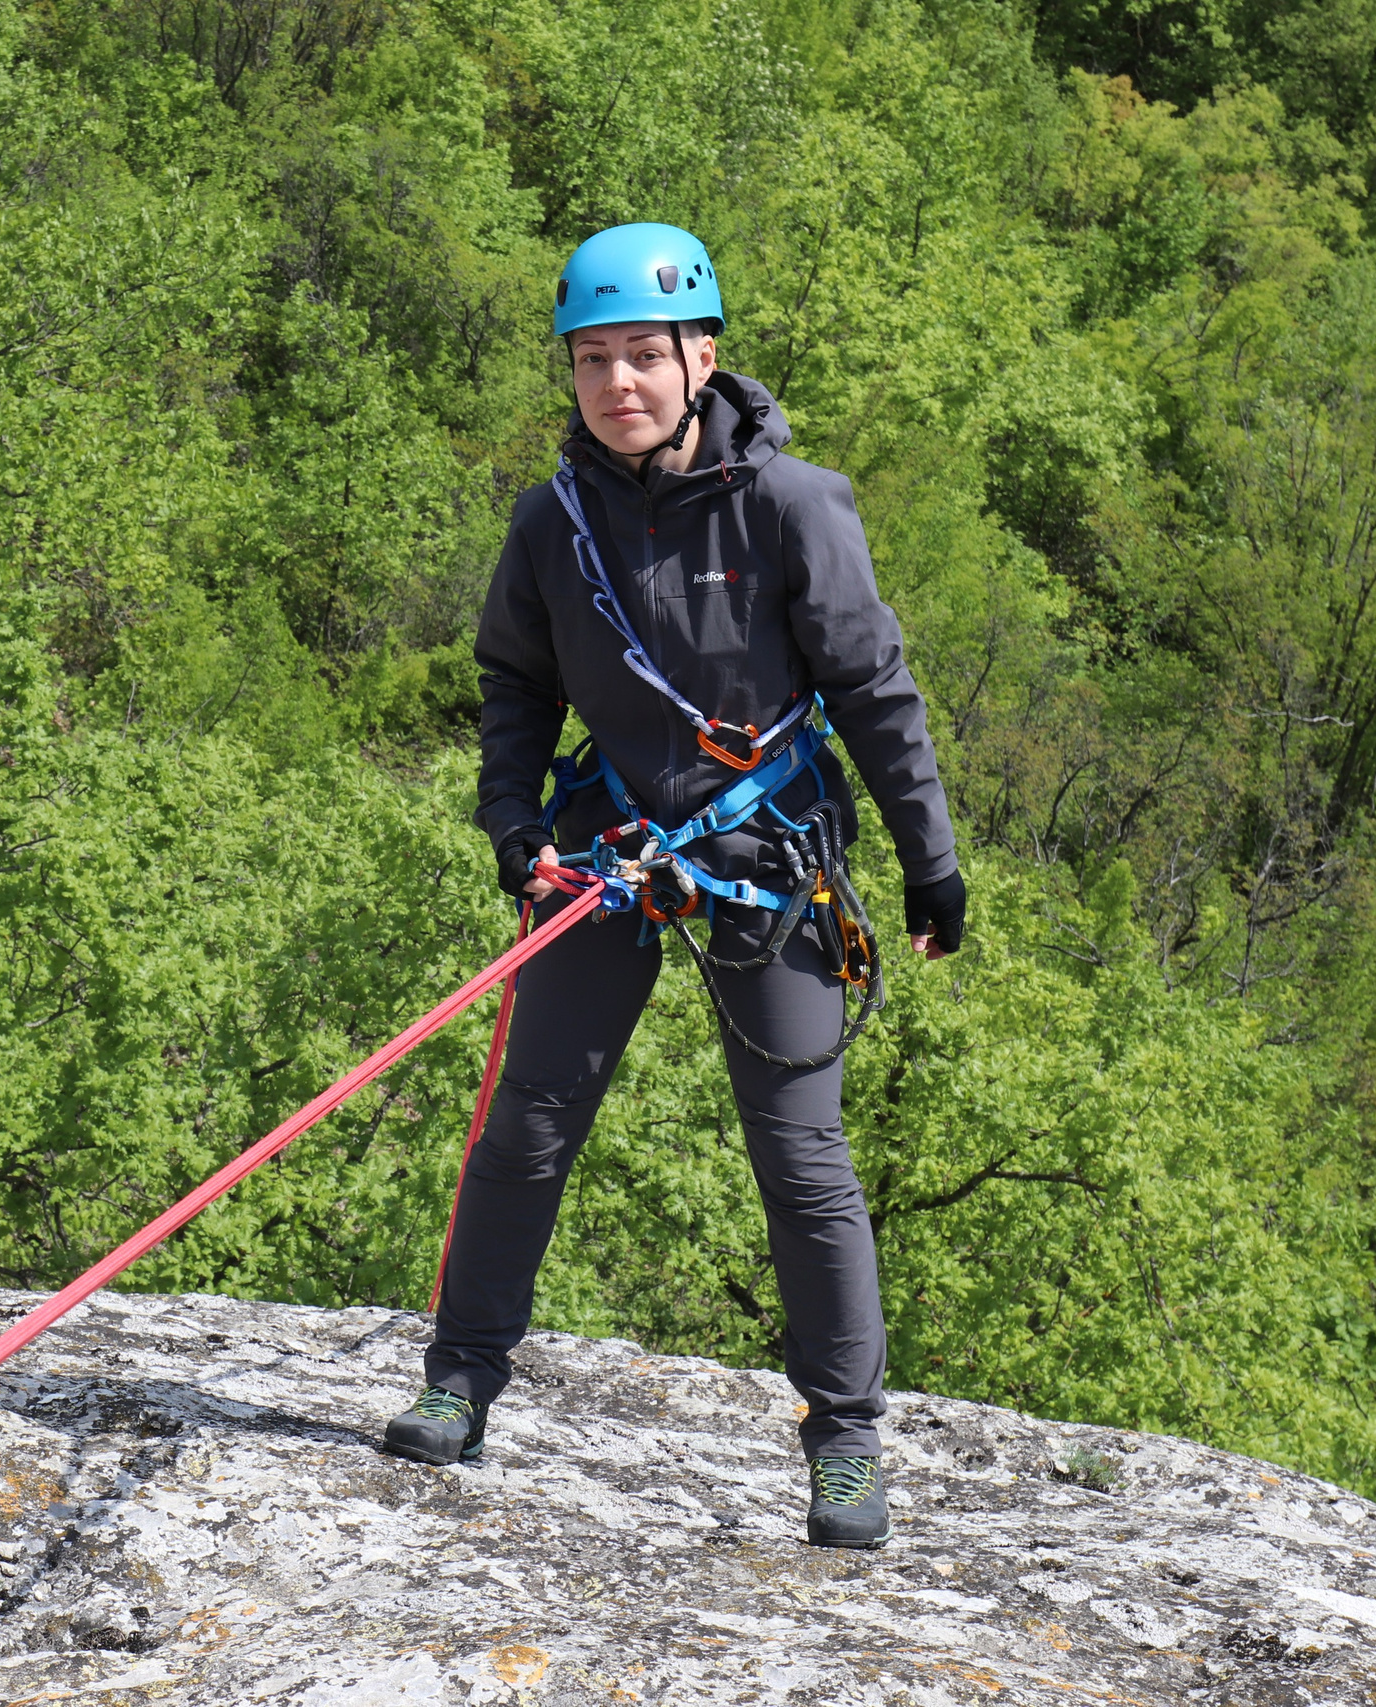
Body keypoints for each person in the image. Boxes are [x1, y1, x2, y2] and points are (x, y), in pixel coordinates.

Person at [382, 224, 966, 1550]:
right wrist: (509, 819)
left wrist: (930, 861)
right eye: (592, 359)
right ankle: (460, 1386)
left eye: (644, 354)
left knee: (802, 1154)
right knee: (530, 1120)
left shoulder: (792, 507)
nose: (618, 383)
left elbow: (875, 689)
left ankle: (846, 1446)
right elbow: (516, 686)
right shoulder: (553, 523)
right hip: (609, 849)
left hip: (771, 859)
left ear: (702, 354)